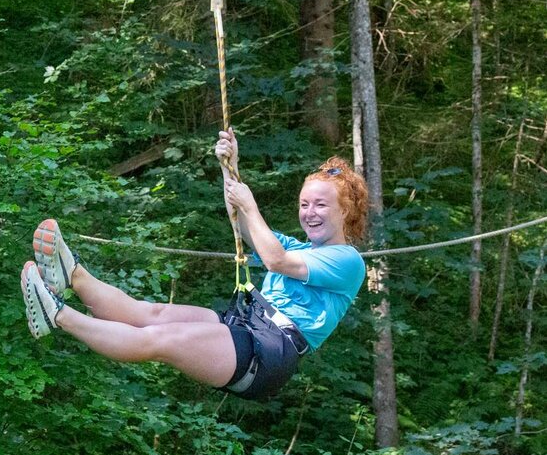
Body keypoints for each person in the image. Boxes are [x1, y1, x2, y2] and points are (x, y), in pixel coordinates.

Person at [20, 128, 369, 400]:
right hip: (249, 325)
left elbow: (275, 260)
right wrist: (229, 168)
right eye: (305, 204)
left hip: (267, 354)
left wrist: (250, 205)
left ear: (346, 211)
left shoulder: (347, 261)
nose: (309, 213)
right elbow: (241, 222)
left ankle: (59, 317)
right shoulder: (298, 247)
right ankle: (74, 276)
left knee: (159, 340)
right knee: (151, 314)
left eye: (320, 205)